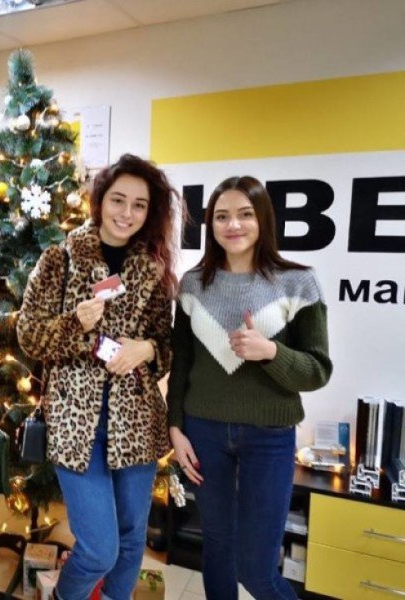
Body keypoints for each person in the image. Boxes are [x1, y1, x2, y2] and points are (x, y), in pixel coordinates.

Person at [17, 154, 180, 600]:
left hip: (136, 423)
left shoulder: (151, 267)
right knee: (98, 550)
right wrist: (76, 324)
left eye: (139, 205)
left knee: (130, 541)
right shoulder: (60, 259)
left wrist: (146, 349)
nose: (127, 213)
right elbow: (28, 335)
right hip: (76, 425)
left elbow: (166, 344)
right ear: (100, 201)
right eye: (118, 200)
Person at [167, 176, 332, 599]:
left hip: (269, 438)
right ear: (211, 225)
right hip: (203, 432)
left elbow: (317, 371)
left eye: (245, 214)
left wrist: (270, 352)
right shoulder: (193, 283)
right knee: (217, 548)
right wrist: (175, 428)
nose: (233, 225)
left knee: (257, 571)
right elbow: (181, 362)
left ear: (263, 220)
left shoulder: (298, 281)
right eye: (222, 216)